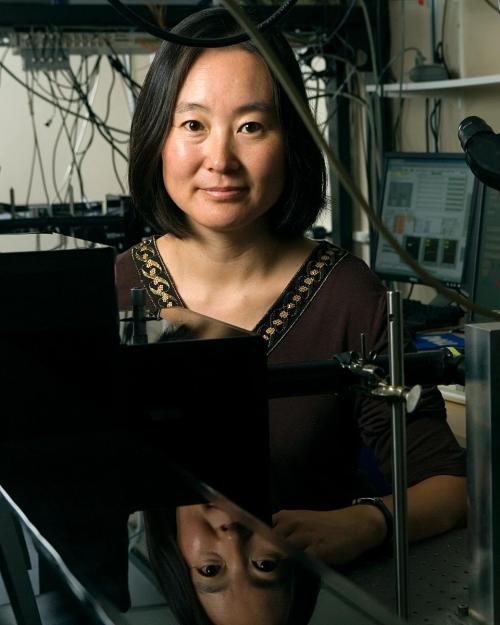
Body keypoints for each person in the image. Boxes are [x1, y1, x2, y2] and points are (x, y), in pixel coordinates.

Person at [116, 3, 465, 587]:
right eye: (193, 125)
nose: (220, 160)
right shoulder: (119, 287)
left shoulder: (348, 293)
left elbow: (448, 489)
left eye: (251, 126)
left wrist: (370, 522)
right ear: (158, 137)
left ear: (292, 142)